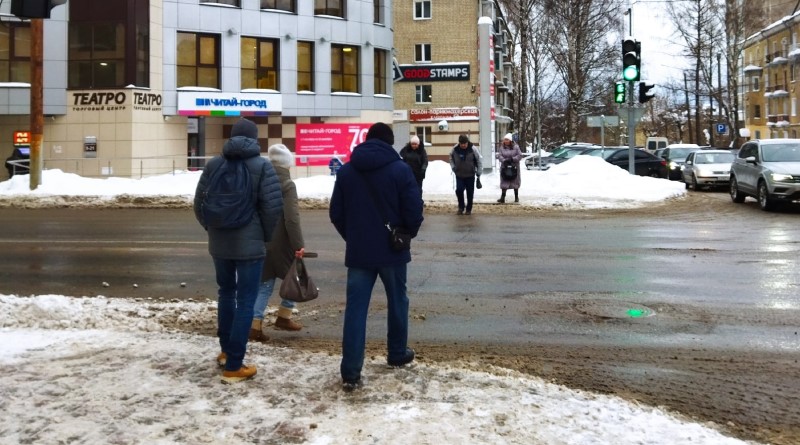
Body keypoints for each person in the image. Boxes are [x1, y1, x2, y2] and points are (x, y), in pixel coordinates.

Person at [329, 122, 424, 392]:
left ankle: (350, 372)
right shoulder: (400, 170)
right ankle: (397, 353)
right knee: (398, 301)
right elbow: (413, 209)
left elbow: (336, 213)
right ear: (390, 143)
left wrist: (353, 237)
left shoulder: (347, 171)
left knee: (356, 309)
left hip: (359, 252)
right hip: (393, 250)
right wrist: (406, 234)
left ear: (367, 140)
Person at [193, 118, 283, 383]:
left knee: (225, 293)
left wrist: (212, 229)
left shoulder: (214, 164)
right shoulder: (262, 166)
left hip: (219, 243)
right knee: (246, 300)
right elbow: (272, 208)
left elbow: (199, 203)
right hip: (250, 245)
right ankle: (234, 365)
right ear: (254, 139)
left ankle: (225, 352)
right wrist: (264, 236)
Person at [250, 144, 306, 341]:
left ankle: (255, 325)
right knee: (295, 277)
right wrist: (298, 244)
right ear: (287, 163)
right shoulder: (288, 185)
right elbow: (292, 218)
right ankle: (283, 316)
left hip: (260, 240)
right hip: (281, 244)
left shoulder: (259, 181)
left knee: (264, 284)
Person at [449, 134, 483, 215]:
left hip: (470, 175)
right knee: (459, 190)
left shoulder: (473, 148)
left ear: (467, 142)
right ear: (459, 143)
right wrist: (453, 167)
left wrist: (479, 171)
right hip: (459, 174)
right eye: (462, 144)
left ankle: (469, 209)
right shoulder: (455, 149)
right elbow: (450, 157)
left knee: (470, 193)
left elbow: (479, 160)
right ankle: (461, 207)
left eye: (465, 143)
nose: (463, 145)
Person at [495, 133, 522, 203]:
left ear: (510, 140)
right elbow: (499, 156)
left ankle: (516, 197)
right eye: (505, 140)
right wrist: (504, 160)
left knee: (515, 181)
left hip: (514, 167)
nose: (505, 141)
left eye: (507, 140)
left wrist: (512, 159)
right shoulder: (502, 147)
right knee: (504, 181)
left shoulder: (516, 147)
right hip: (505, 167)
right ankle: (502, 197)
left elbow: (520, 155)